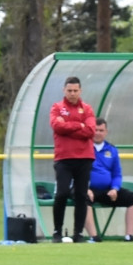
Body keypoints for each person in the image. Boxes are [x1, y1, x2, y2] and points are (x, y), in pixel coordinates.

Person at [49, 76, 96, 243]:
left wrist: (69, 125)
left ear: (80, 91)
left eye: (75, 90)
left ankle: (78, 234)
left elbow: (90, 130)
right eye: (69, 90)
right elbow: (57, 127)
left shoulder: (87, 109)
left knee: (81, 195)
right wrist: (79, 125)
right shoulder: (57, 108)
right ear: (64, 90)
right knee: (61, 193)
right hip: (64, 158)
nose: (72, 93)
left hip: (84, 157)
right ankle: (57, 232)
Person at [83, 118, 133, 242]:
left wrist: (114, 189)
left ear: (106, 132)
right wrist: (85, 188)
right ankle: (94, 237)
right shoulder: (82, 147)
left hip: (107, 190)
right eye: (95, 130)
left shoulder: (112, 150)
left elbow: (117, 174)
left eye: (101, 130)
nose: (98, 133)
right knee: (82, 198)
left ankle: (129, 236)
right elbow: (77, 172)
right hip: (87, 189)